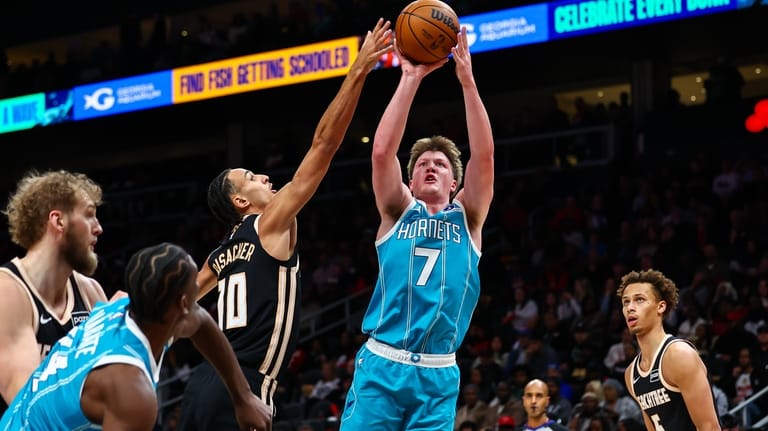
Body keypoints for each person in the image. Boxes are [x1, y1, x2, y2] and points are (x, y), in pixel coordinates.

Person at [177, 18, 394, 430]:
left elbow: (176, 304)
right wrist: (358, 70)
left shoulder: (219, 255)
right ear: (241, 201)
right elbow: (324, 145)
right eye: (252, 178)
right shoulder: (268, 223)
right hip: (242, 387)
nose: (265, 177)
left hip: (202, 386)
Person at [339, 26, 495, 430]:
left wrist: (467, 82)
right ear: (409, 182)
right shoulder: (396, 211)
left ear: (454, 183)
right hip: (383, 365)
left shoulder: (470, 216)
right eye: (422, 163)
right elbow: (380, 152)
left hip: (438, 373)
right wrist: (410, 78)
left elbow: (484, 155)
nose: (430, 166)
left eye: (440, 164)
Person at [0, 243, 271, 430]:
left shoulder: (131, 310)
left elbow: (201, 323)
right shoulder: (131, 391)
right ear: (182, 303)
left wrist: (243, 397)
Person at [0, 170, 117, 414]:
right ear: (58, 221)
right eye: (89, 216)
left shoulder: (90, 292)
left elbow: (115, 389)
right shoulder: (8, 291)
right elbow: (32, 410)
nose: (99, 228)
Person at [618, 269, 720, 430]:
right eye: (626, 302)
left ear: (661, 307)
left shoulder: (679, 355)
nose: (630, 307)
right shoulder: (631, 374)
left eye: (639, 300)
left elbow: (709, 426)